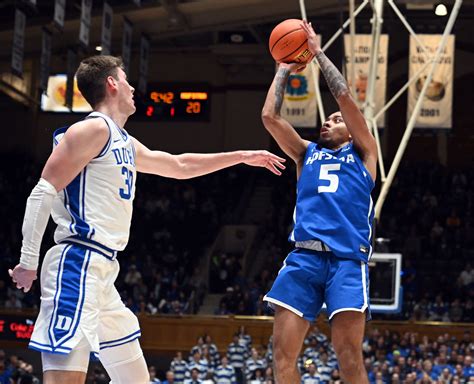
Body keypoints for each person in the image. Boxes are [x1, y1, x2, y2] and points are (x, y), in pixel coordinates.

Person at [8, 55, 286, 384]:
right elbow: (42, 192)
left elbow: (179, 165)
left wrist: (241, 157)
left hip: (102, 270)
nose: (132, 88)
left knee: (136, 379)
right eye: (126, 80)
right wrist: (28, 259)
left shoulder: (122, 140)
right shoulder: (93, 128)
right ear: (111, 84)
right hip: (77, 264)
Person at [261, 20, 378, 384]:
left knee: (349, 360)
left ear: (352, 129)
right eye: (327, 118)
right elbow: (269, 117)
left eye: (336, 120)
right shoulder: (305, 154)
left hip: (346, 260)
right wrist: (283, 67)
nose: (329, 120)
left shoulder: (365, 154)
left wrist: (318, 52)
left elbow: (344, 98)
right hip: (304, 257)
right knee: (282, 357)